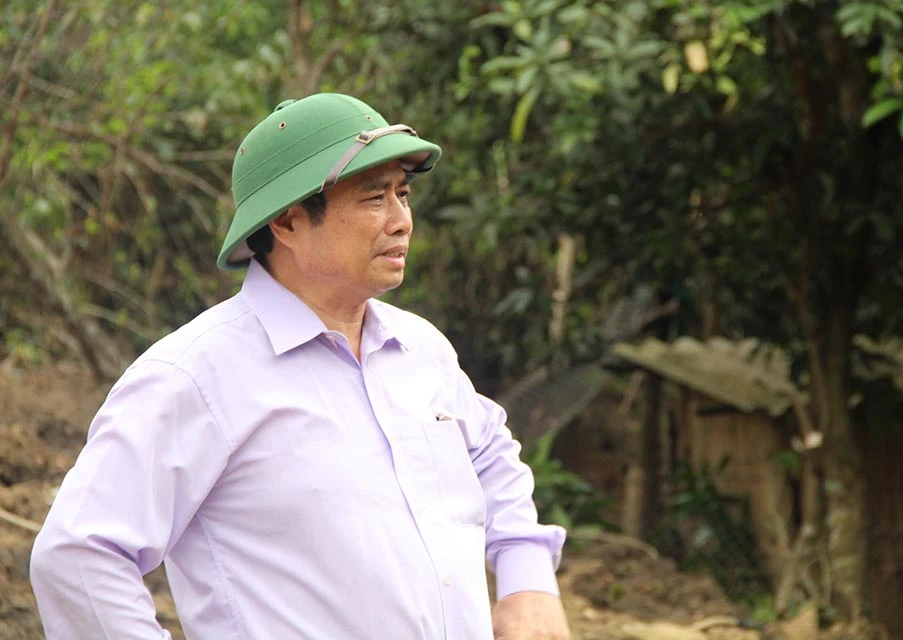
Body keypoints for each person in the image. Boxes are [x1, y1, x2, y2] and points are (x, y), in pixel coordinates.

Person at [29, 93, 571, 639]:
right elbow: (78, 554)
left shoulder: (419, 348)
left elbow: (489, 451)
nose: (402, 220)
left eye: (403, 194)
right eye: (374, 198)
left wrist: (527, 578)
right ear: (287, 222)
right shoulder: (195, 376)